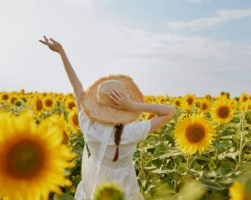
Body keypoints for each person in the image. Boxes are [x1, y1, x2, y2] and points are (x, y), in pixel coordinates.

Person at [39, 36, 177, 200]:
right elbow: (169, 111)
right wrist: (133, 107)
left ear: (98, 107)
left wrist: (61, 52)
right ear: (123, 107)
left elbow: (77, 88)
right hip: (125, 189)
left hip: (95, 187)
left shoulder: (88, 126)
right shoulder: (132, 131)